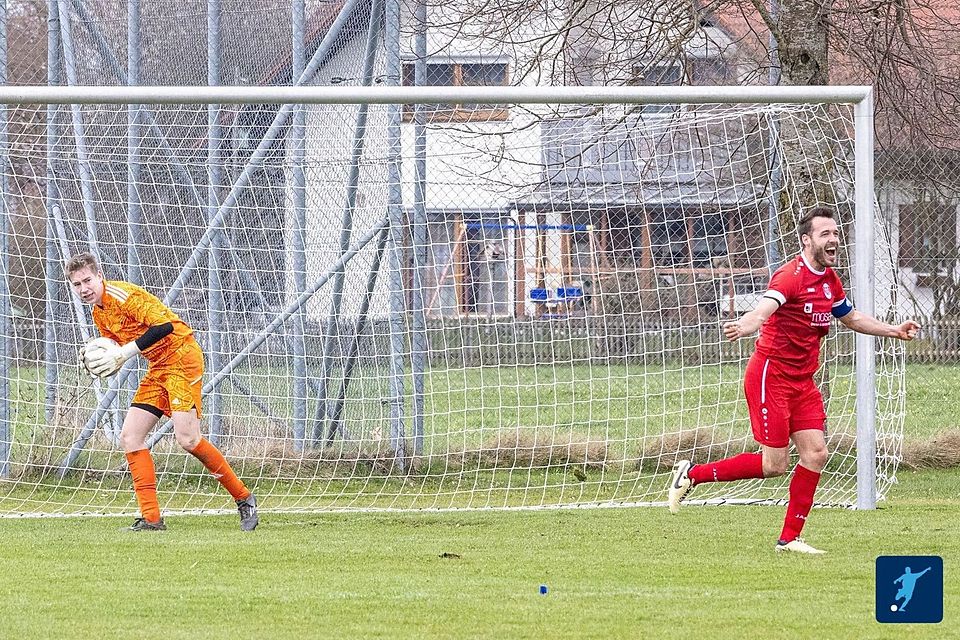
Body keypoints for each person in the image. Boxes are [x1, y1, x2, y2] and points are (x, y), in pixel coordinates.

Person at [667, 207, 919, 554]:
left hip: (803, 381)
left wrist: (892, 330)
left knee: (816, 453)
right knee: (775, 464)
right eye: (825, 234)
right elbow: (765, 307)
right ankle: (693, 474)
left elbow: (851, 317)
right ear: (806, 240)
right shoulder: (790, 276)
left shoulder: (829, 280)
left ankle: (789, 539)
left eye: (835, 233)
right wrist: (748, 324)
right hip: (771, 376)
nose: (833, 239)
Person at [65, 252, 258, 532]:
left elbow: (164, 327)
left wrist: (123, 354)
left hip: (181, 356)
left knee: (188, 438)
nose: (84, 289)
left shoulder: (123, 295)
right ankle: (152, 519)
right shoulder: (99, 313)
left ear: (99, 276)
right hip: (159, 366)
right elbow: (120, 350)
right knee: (130, 437)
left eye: (87, 281)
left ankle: (244, 498)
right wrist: (104, 363)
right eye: (77, 284)